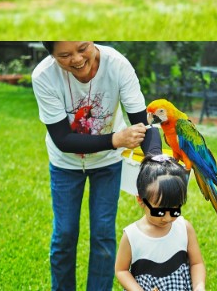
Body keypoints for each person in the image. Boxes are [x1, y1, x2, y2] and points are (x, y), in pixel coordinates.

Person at [32, 41, 162, 291]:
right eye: (64, 55)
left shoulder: (117, 65)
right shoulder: (44, 76)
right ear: (51, 55)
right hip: (65, 164)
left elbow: (143, 124)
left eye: (82, 49)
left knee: (103, 234)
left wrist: (157, 163)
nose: (77, 59)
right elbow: (63, 139)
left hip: (107, 163)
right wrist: (116, 140)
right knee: (65, 234)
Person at [115, 154, 206, 291]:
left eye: (175, 210)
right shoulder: (132, 236)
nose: (167, 218)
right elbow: (121, 270)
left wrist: (199, 286)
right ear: (140, 199)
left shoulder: (184, 228)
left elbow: (196, 263)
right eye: (160, 212)